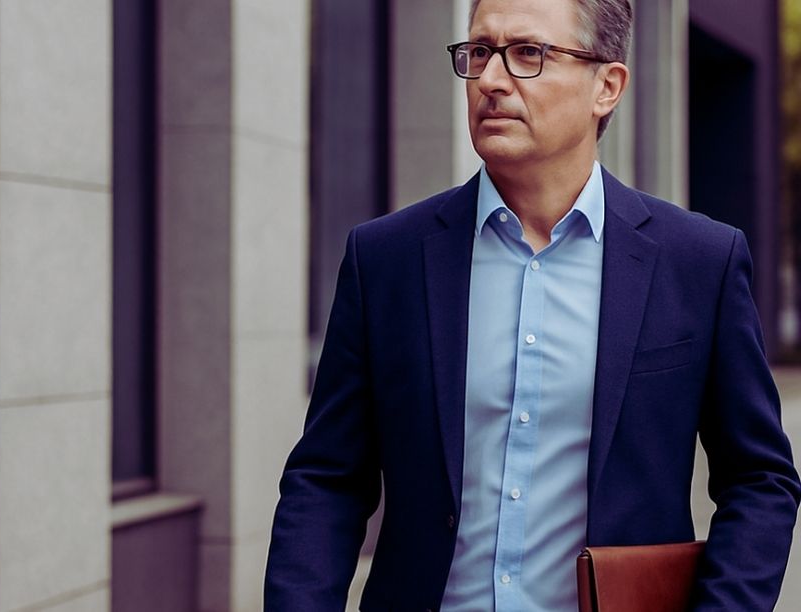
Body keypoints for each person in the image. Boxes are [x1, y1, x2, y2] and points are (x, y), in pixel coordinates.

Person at [265, 0, 801, 609]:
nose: (491, 80)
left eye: (528, 54)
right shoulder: (385, 258)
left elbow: (761, 480)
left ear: (607, 85)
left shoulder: (698, 261)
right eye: (479, 53)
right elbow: (327, 479)